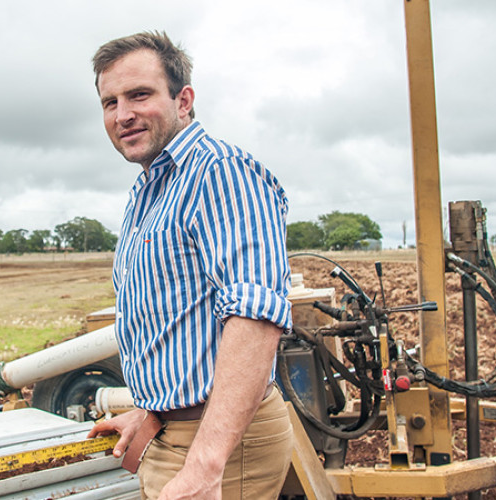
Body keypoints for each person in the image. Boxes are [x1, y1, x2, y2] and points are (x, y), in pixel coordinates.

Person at [86, 31, 295, 500]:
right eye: (109, 102)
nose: (123, 114)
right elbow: (180, 324)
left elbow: (255, 318)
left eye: (140, 95)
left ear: (184, 101)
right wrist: (152, 411)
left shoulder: (219, 172)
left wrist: (205, 466)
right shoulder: (150, 190)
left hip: (221, 446)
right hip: (175, 431)